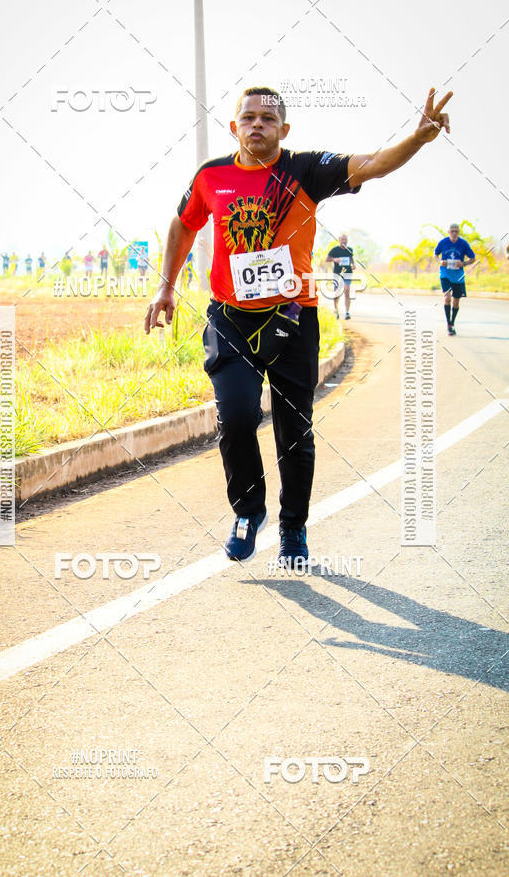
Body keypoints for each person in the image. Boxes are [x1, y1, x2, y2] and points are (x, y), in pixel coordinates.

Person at [145, 85, 452, 567]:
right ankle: (248, 513)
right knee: (237, 419)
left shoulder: (305, 169)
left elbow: (371, 164)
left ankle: (293, 529)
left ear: (283, 130)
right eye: (247, 118)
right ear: (234, 127)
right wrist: (166, 285)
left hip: (292, 319)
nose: (256, 125)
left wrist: (417, 138)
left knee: (294, 432)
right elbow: (184, 224)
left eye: (268, 119)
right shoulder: (211, 176)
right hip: (229, 319)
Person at [434, 223, 476, 335]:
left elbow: (473, 258)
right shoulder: (443, 242)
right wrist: (440, 261)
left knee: (456, 302)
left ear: (459, 232)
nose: (454, 233)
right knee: (447, 298)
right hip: (445, 274)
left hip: (458, 276)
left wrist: (463, 263)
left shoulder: (463, 244)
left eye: (456, 231)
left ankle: (452, 322)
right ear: (448, 232)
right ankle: (448, 324)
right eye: (452, 231)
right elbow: (435, 254)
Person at [326, 233, 355, 319]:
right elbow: (327, 259)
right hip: (337, 274)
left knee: (347, 292)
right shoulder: (335, 250)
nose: (344, 241)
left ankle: (347, 313)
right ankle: (336, 311)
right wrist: (334, 259)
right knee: (337, 294)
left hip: (347, 273)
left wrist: (353, 264)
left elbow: (351, 258)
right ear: (339, 240)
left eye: (345, 239)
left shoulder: (350, 249)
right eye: (342, 239)